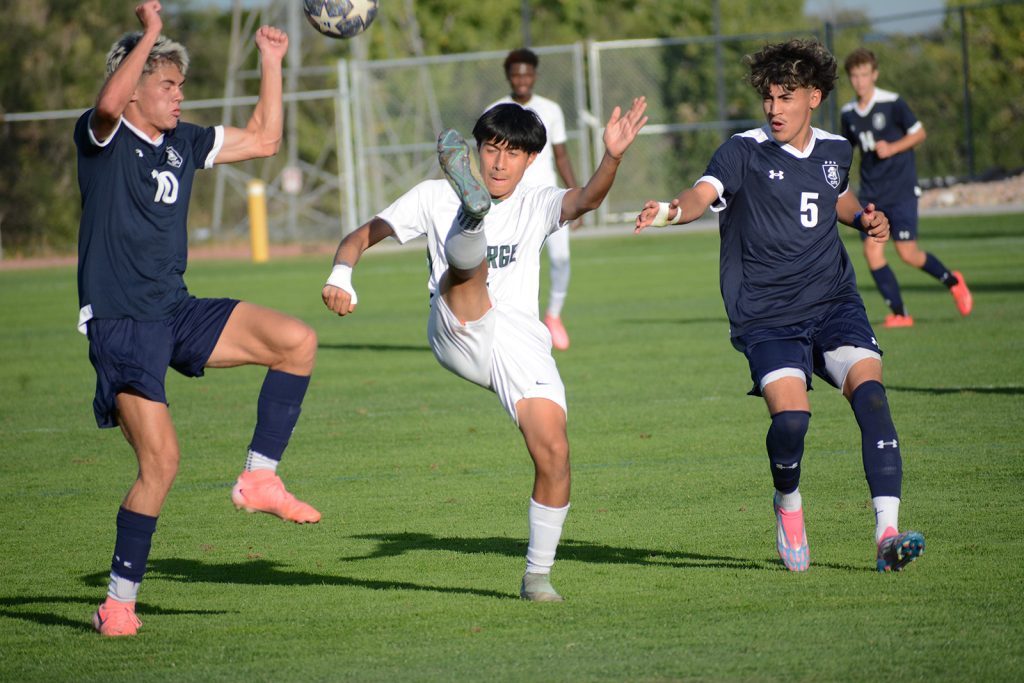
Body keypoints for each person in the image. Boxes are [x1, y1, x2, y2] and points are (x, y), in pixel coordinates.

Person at [322, 98, 648, 600]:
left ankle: (537, 577)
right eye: (491, 148)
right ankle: (472, 222)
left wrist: (613, 157)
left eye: (513, 153)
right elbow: (362, 234)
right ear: (475, 152)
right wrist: (342, 274)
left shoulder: (537, 203)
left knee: (555, 453)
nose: (499, 161)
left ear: (530, 160)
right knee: (469, 274)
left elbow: (586, 200)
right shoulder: (434, 196)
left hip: (520, 341)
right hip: (456, 323)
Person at [76, 1, 319, 637]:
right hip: (122, 324)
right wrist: (151, 31)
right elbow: (106, 107)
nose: (180, 97)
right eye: (167, 85)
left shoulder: (183, 142)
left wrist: (272, 63)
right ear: (134, 92)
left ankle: (259, 478)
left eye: (181, 85)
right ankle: (119, 604)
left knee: (296, 342)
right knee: (160, 465)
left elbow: (265, 139)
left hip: (174, 310)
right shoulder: (103, 137)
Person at [635, 39, 924, 573]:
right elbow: (703, 192)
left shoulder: (837, 149)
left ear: (813, 97)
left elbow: (835, 194)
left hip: (833, 300)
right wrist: (672, 211)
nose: (774, 108)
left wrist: (864, 218)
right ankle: (788, 502)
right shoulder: (743, 150)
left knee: (873, 398)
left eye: (786, 97)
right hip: (767, 313)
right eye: (768, 97)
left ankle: (887, 533)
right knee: (792, 421)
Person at [841, 47, 972, 327]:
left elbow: (919, 133)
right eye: (854, 76)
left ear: (874, 74)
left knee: (907, 252)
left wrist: (893, 147)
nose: (860, 81)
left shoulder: (893, 102)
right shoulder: (848, 113)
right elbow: (845, 151)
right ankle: (900, 314)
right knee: (872, 252)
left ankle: (952, 281)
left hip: (900, 190)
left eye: (865, 74)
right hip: (872, 193)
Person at [487, 48, 580, 351]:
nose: (522, 79)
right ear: (508, 77)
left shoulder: (551, 109)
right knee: (509, 264)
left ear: (535, 75)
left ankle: (552, 316)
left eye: (527, 73)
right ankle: (499, 323)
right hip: (510, 202)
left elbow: (562, 156)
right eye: (516, 74)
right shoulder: (496, 110)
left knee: (560, 258)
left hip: (549, 202)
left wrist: (576, 196)